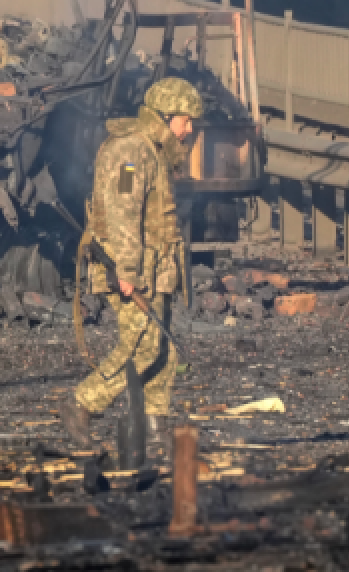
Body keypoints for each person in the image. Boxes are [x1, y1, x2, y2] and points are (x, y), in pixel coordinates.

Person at [59, 77, 203, 449]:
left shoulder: (152, 150)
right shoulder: (130, 152)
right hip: (129, 267)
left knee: (162, 347)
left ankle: (154, 423)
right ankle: (82, 404)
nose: (189, 130)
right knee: (142, 344)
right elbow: (122, 211)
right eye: (186, 120)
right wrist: (127, 271)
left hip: (154, 268)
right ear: (166, 115)